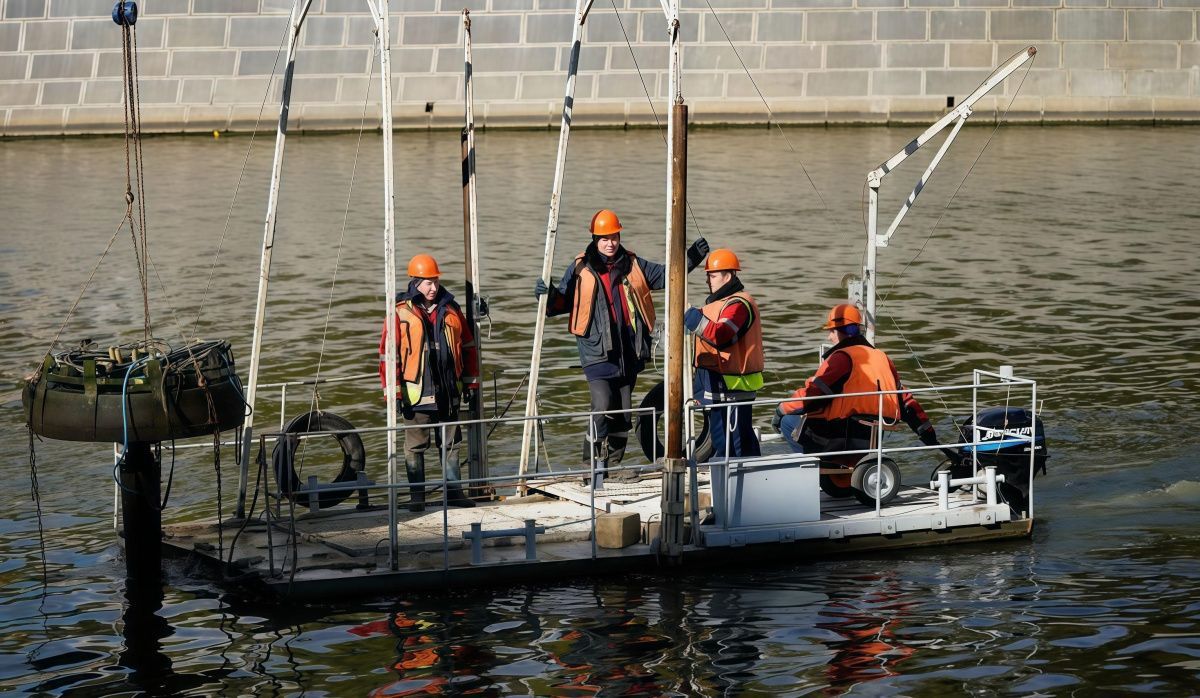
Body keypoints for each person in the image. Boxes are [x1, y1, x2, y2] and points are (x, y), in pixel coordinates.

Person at [535, 208, 708, 482]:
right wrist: (549, 294)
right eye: (604, 238)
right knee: (602, 405)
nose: (610, 243)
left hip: (629, 352)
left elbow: (667, 276)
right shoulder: (580, 268)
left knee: (623, 413)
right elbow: (561, 304)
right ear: (595, 239)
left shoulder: (633, 264)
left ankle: (612, 467)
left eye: (614, 236)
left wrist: (692, 258)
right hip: (596, 352)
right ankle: (590, 467)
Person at [772, 304, 951, 461]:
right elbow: (906, 402)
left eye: (831, 332)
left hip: (842, 438)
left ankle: (817, 467)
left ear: (841, 332)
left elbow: (813, 395)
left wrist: (781, 409)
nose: (829, 338)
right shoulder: (882, 357)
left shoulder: (841, 358)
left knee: (788, 420)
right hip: (872, 437)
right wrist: (930, 438)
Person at [379, 254, 478, 511]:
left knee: (452, 444)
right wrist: (394, 393)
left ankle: (454, 492)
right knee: (415, 446)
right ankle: (417, 498)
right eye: (427, 283)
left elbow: (468, 347)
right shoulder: (400, 313)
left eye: (434, 281)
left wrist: (471, 384)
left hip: (448, 391)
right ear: (415, 282)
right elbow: (388, 356)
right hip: (416, 394)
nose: (433, 288)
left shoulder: (452, 309)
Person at [682, 248, 764, 460]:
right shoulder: (722, 304)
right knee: (728, 440)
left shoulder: (738, 305)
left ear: (728, 276)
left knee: (734, 444)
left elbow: (721, 334)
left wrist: (691, 316)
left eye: (712, 275)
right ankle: (744, 479)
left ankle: (742, 485)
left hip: (733, 387)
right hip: (720, 386)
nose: (708, 281)